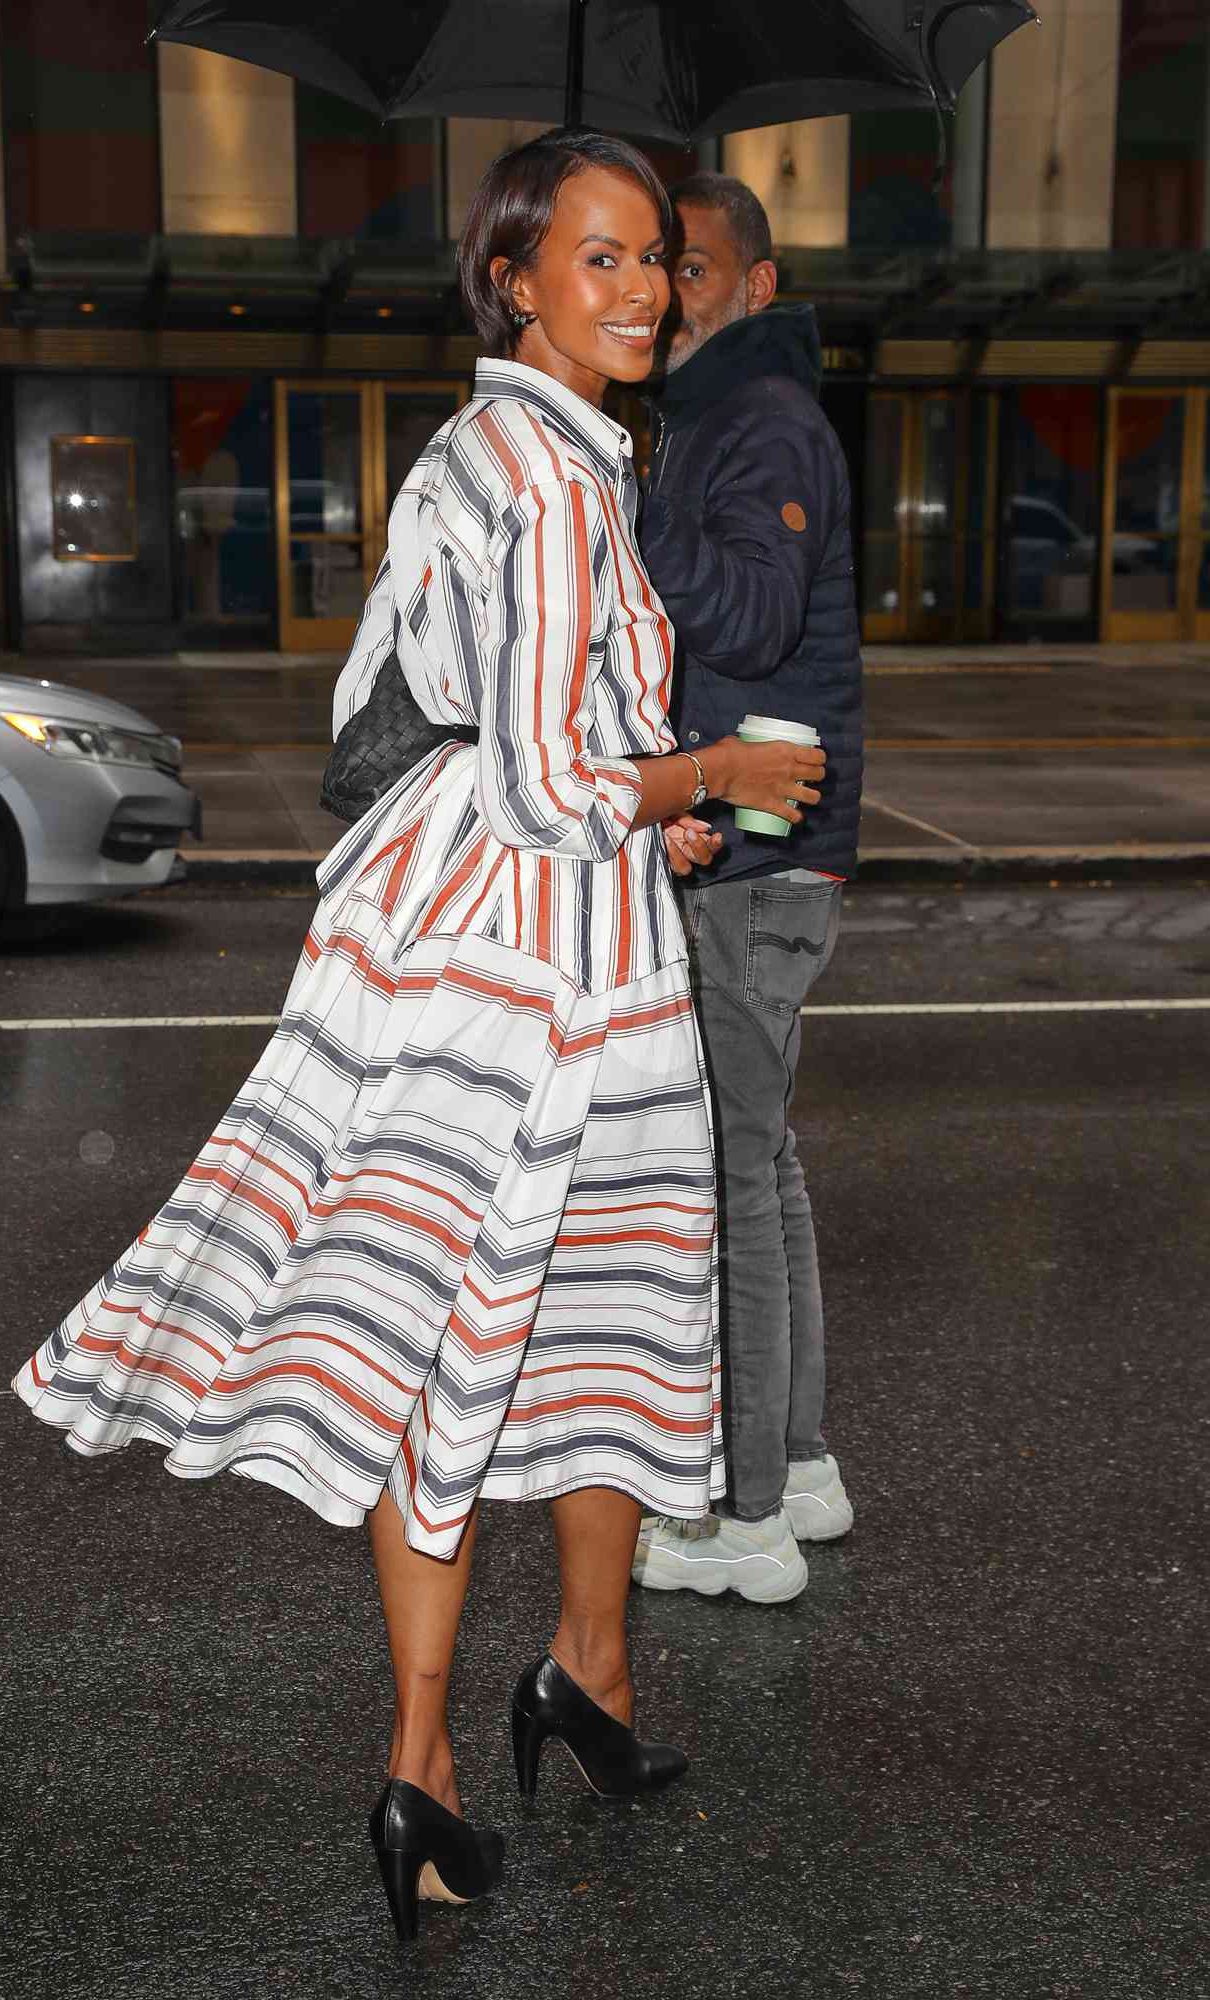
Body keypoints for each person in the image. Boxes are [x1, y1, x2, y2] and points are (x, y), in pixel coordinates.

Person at [10, 132, 826, 1945]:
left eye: (657, 265)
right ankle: (430, 1762)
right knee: (493, 1329)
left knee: (566, 1313)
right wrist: (719, 775)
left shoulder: (517, 451)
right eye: (595, 262)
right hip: (540, 974)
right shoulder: (545, 473)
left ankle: (561, 1693)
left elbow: (522, 729)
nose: (636, 293)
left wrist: (659, 810)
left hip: (496, 929)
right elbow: (550, 782)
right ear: (514, 282)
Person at [632, 172, 863, 1607]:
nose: (672, 291)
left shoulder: (757, 418)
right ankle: (806, 1469)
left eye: (696, 267)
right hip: (772, 856)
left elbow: (753, 615)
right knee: (765, 1169)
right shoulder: (722, 418)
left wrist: (619, 522)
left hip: (756, 857)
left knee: (730, 1181)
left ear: (760, 288)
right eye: (662, 265)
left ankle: (744, 1516)